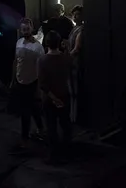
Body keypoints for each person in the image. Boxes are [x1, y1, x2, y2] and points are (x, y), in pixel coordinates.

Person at [38, 30, 74, 162]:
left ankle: (54, 156)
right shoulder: (65, 58)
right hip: (64, 95)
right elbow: (71, 59)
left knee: (51, 127)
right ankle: (68, 153)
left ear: (46, 43)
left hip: (49, 99)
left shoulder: (42, 60)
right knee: (66, 125)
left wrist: (54, 99)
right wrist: (68, 46)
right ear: (59, 43)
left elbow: (43, 85)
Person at [11, 18, 45, 146]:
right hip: (20, 82)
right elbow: (16, 61)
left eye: (27, 29)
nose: (25, 31)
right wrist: (13, 79)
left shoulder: (38, 47)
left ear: (32, 28)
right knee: (30, 108)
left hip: (33, 82)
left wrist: (40, 86)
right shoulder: (18, 43)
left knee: (28, 110)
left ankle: (25, 137)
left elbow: (42, 67)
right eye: (23, 29)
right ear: (20, 30)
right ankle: (39, 129)